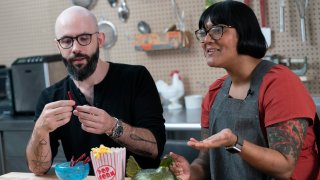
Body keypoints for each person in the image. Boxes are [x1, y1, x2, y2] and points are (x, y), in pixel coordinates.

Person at [170, 1, 319, 179]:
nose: (206, 40)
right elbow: (206, 159)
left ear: (243, 31)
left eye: (217, 30)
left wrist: (234, 142)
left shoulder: (280, 84)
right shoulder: (214, 93)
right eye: (203, 33)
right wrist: (190, 173)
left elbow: (284, 167)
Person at [26, 6, 166, 175]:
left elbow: (154, 148)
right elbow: (38, 168)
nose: (75, 48)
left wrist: (112, 126)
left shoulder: (136, 78)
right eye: (66, 41)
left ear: (100, 40)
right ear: (58, 46)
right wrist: (40, 130)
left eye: (84, 38)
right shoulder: (51, 98)